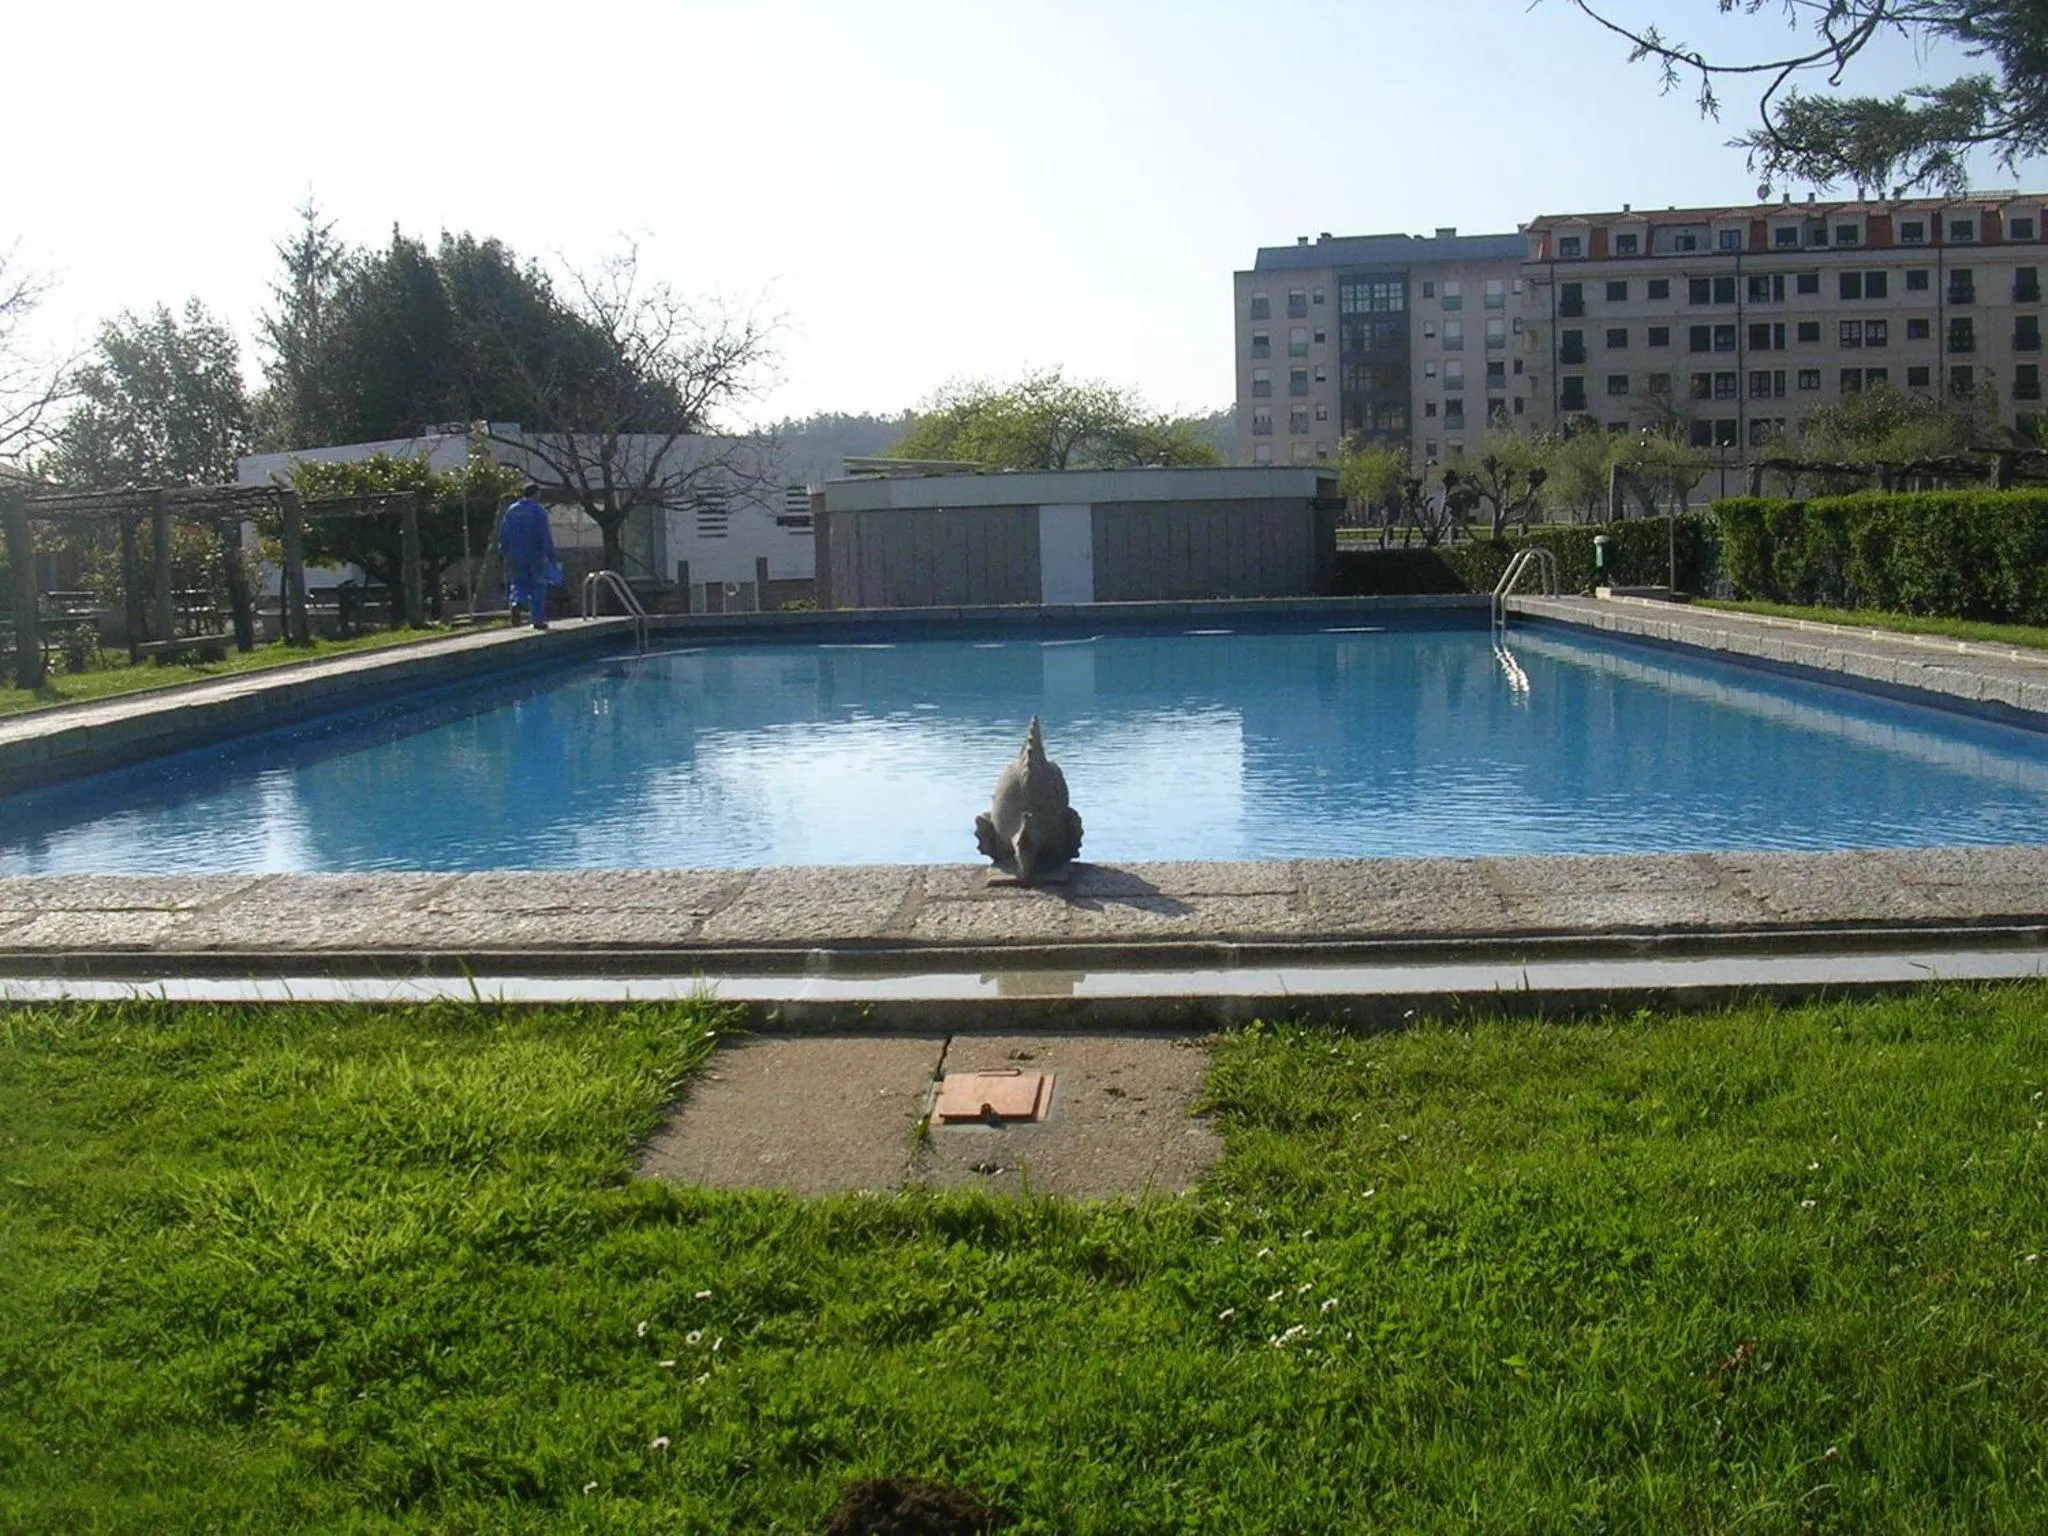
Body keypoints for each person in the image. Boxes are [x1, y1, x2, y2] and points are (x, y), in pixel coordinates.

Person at [498, 483, 557, 631]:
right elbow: (545, 535)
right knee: (538, 586)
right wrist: (550, 555)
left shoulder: (512, 510)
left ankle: (516, 602)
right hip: (535, 554)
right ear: (536, 494)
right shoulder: (538, 511)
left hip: (516, 553)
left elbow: (504, 532)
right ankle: (538, 620)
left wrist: (503, 550)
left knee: (518, 582)